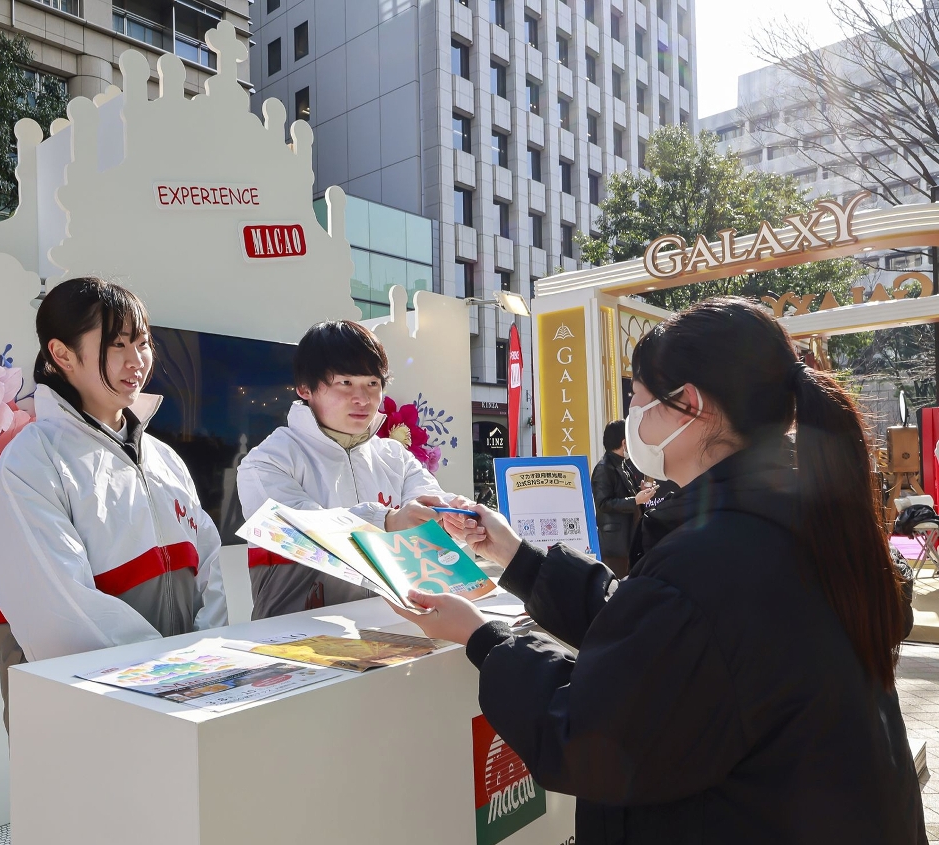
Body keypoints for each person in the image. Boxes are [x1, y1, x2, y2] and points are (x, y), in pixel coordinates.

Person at [395, 298, 922, 844]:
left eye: (637, 398)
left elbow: (588, 737)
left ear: (688, 405)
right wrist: (516, 556)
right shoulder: (796, 519)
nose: (632, 416)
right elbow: (661, 636)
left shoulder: (713, 558)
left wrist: (483, 637)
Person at [0, 277, 227, 728]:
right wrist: (163, 678)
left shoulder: (164, 458)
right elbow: (60, 606)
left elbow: (208, 567)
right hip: (88, 703)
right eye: (118, 344)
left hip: (182, 694)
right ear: (62, 354)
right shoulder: (34, 459)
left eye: (143, 343)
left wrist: (203, 657)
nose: (137, 361)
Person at [236, 320, 460, 618]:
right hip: (299, 636)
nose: (363, 398)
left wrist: (454, 517)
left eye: (373, 384)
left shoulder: (395, 457)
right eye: (345, 383)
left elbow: (428, 505)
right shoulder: (267, 461)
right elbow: (302, 531)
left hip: (394, 628)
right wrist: (387, 521)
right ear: (305, 389)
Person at [590, 419, 652, 577]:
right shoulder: (603, 468)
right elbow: (603, 503)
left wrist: (640, 491)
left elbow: (624, 495)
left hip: (629, 539)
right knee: (617, 583)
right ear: (624, 442)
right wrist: (635, 500)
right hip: (615, 545)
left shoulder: (621, 464)